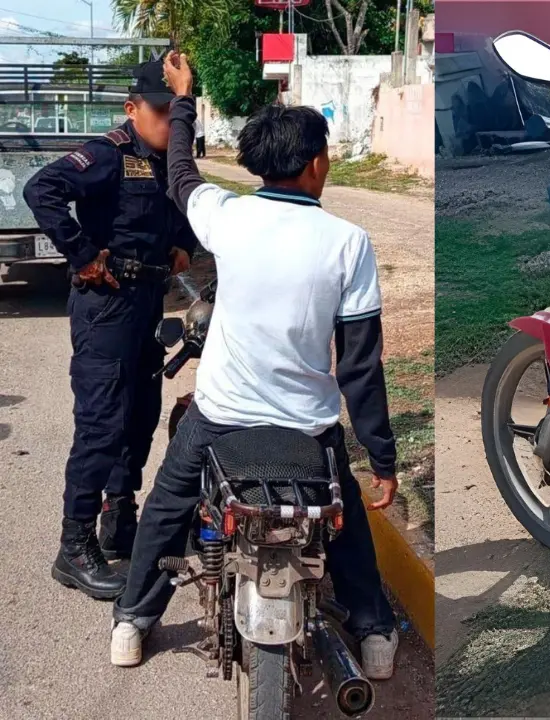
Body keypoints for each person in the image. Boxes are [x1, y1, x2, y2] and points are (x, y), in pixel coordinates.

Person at [111, 52, 401, 680]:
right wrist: (382, 458)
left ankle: (133, 620)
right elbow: (360, 367)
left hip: (221, 418)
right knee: (345, 515)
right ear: (317, 163)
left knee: (166, 505)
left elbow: (180, 171)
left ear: (258, 164)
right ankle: (374, 632)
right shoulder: (348, 243)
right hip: (309, 429)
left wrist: (184, 98)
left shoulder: (228, 215)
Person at [24, 59, 196, 600]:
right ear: (132, 109)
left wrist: (183, 246)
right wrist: (81, 254)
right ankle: (73, 547)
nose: (170, 120)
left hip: (146, 302)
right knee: (102, 423)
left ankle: (118, 520)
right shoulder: (108, 155)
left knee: (140, 415)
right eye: (160, 110)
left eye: (176, 111)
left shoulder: (170, 162)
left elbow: (183, 214)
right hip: (105, 307)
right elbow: (40, 190)